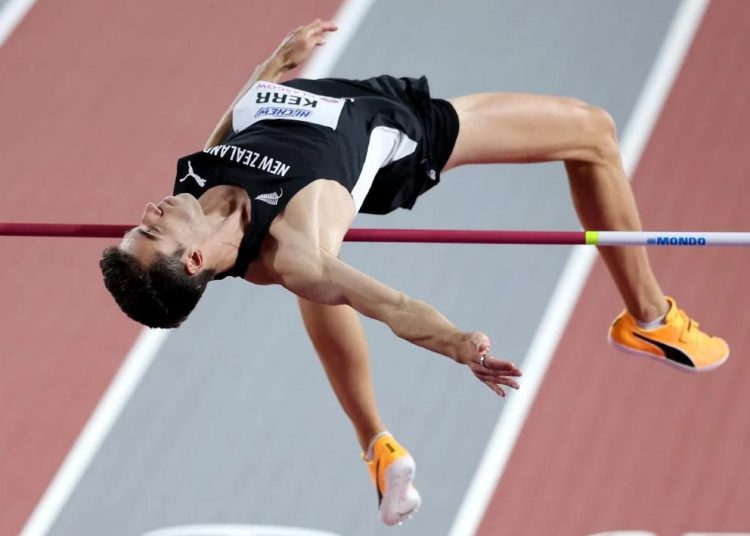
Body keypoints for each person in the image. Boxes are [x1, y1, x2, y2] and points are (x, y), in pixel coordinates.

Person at [99, 19, 729, 526]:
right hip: (406, 129)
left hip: (347, 107)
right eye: (150, 230)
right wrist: (457, 342)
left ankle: (376, 444)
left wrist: (269, 67)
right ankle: (650, 318)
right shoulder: (294, 248)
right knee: (594, 131)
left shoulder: (191, 185)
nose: (149, 211)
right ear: (193, 259)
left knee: (317, 279)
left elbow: (228, 132)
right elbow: (392, 306)